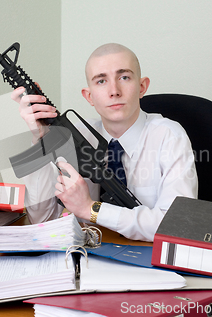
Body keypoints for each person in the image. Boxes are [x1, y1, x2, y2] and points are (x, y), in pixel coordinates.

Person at [11, 43, 198, 242]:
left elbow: (176, 227)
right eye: (101, 81)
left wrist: (90, 209)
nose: (114, 91)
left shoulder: (169, 136)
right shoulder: (76, 137)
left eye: (124, 77)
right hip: (89, 260)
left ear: (142, 87)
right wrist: (41, 140)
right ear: (89, 96)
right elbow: (42, 220)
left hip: (150, 262)